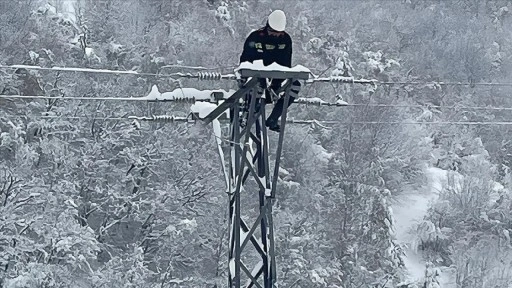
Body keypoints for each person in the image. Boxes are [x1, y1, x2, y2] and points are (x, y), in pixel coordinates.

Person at [239, 10, 301, 132]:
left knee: (294, 86)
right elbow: (245, 61)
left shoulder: (285, 40)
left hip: (275, 78)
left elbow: (286, 65)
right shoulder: (255, 38)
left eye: (279, 33)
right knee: (257, 86)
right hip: (255, 78)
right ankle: (251, 112)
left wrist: (277, 84)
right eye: (273, 32)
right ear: (267, 27)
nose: (276, 36)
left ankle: (274, 118)